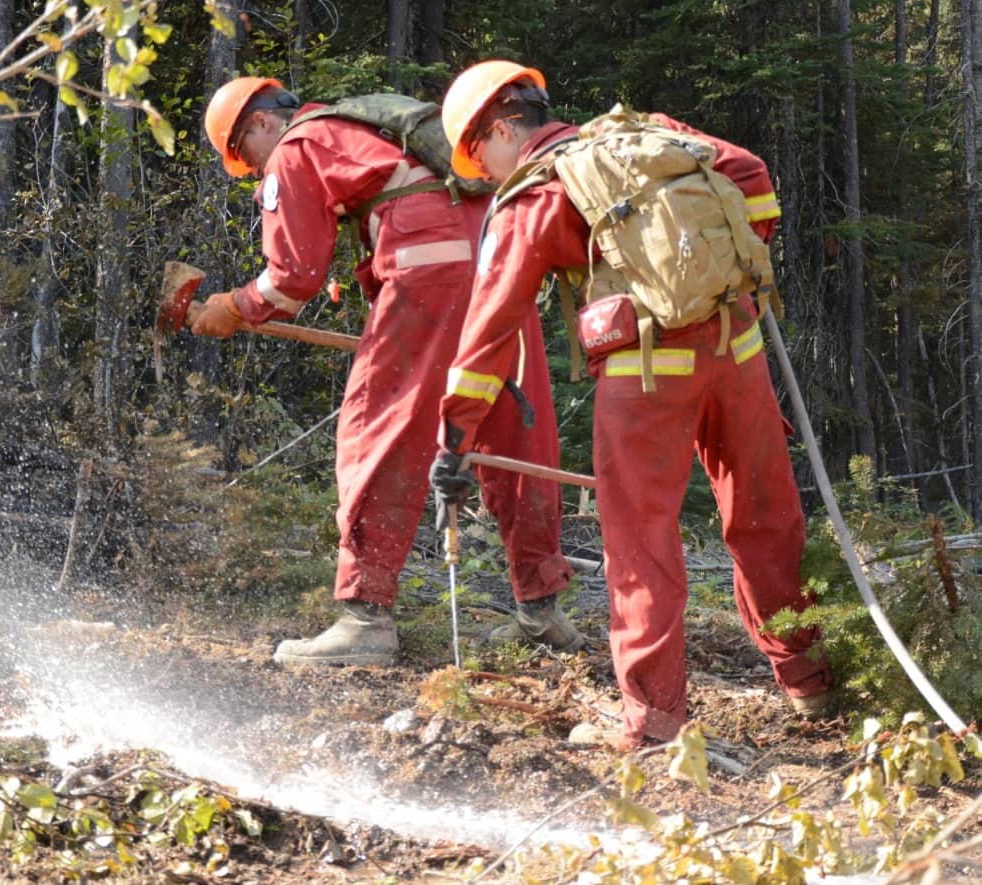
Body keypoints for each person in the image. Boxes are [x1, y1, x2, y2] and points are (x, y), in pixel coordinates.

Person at [429, 60, 833, 749]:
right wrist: (714, 277)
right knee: (766, 518)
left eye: (481, 160)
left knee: (641, 541)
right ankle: (810, 683)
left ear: (501, 130)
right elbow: (754, 182)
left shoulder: (535, 194)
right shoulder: (648, 134)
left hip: (645, 372)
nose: (486, 177)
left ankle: (653, 723)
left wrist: (454, 435)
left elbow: (490, 326)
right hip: (737, 347)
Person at [192, 76, 584, 666]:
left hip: (430, 277)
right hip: (499, 262)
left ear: (259, 125)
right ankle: (542, 611)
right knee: (514, 434)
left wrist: (233, 306)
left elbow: (292, 277)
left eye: (246, 157)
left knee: (376, 430)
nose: (253, 169)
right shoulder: (367, 131)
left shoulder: (298, 146)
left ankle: (365, 617)